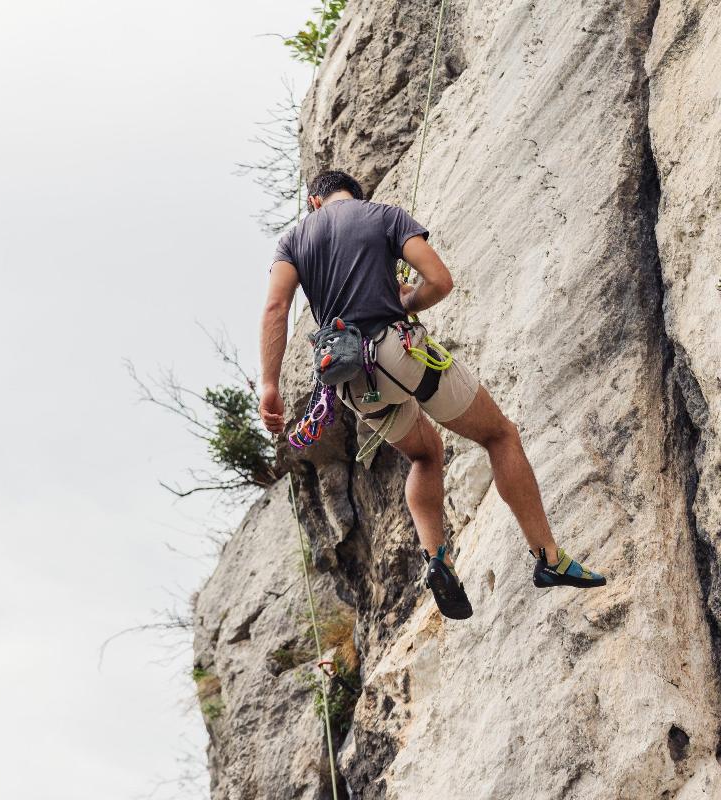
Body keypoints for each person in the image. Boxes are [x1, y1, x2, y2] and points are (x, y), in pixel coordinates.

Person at [259, 170, 606, 619]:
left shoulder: (292, 242)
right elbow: (440, 280)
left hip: (347, 379)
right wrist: (405, 302)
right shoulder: (382, 216)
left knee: (425, 455)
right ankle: (549, 559)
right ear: (352, 195)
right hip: (397, 353)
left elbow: (275, 307)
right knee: (499, 435)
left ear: (314, 202)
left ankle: (437, 558)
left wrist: (269, 383)